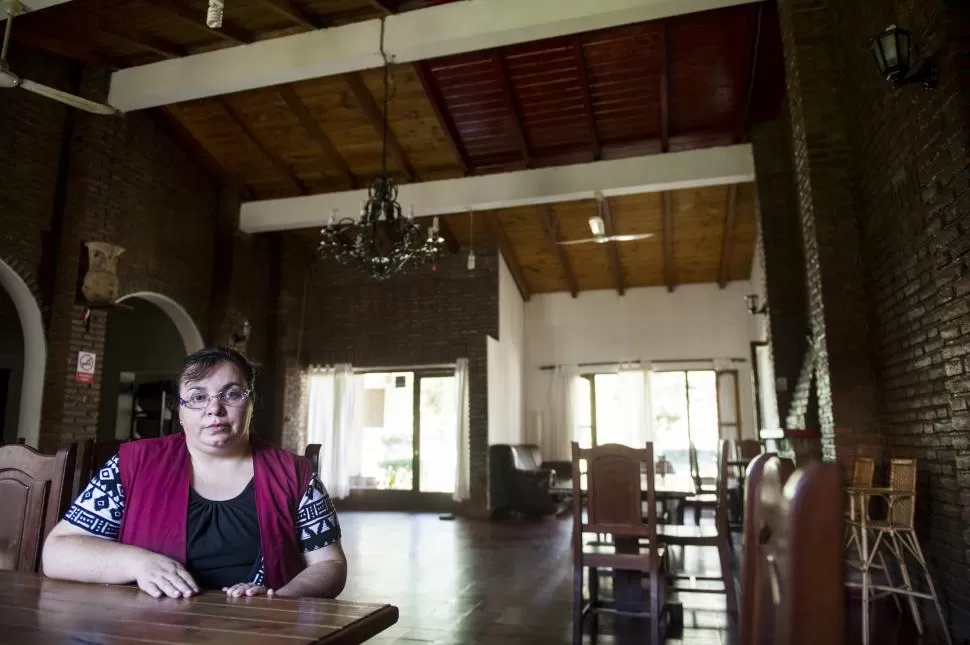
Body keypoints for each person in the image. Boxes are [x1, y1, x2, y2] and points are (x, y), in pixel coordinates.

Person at [42, 346, 346, 600]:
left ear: (251, 402)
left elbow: (329, 564)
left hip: (259, 632)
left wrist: (279, 600)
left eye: (231, 394)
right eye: (198, 397)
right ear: (181, 411)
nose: (214, 408)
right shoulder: (130, 465)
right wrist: (137, 562)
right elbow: (56, 553)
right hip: (146, 630)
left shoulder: (295, 474)